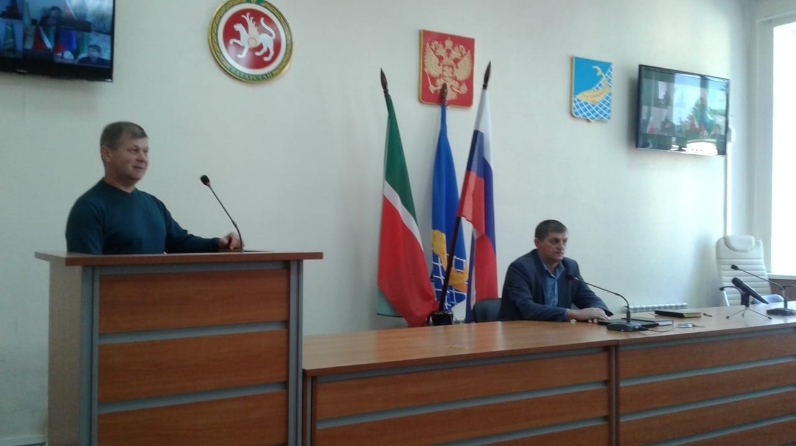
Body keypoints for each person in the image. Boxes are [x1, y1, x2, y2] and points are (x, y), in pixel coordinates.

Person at [66, 121, 241, 254]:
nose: (142, 158)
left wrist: (219, 244)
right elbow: (86, 273)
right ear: (107, 154)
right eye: (133, 150)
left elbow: (180, 243)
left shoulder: (153, 204)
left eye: (146, 151)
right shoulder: (89, 208)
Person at [498, 219, 612, 322]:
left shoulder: (570, 266)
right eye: (554, 241)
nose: (561, 247)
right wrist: (575, 314)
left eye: (564, 241)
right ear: (537, 243)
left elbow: (588, 297)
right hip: (520, 332)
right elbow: (527, 309)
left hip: (558, 331)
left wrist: (598, 311)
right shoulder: (520, 268)